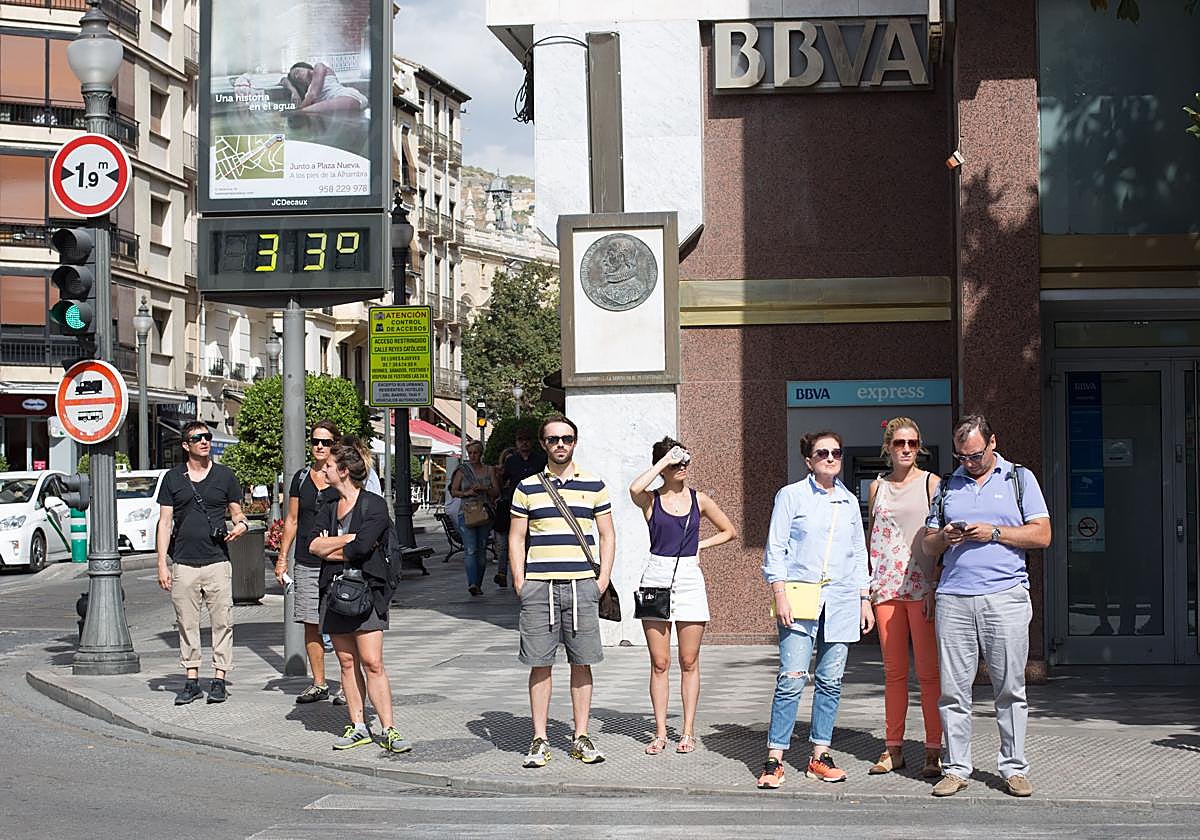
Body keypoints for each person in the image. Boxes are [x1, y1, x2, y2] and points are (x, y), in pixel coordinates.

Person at [922, 414, 1051, 799]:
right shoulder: (948, 484)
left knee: (1010, 688)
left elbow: (1042, 535)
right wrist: (944, 537)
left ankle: (1014, 767)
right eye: (962, 456)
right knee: (953, 690)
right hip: (954, 598)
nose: (969, 463)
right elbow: (927, 543)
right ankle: (956, 768)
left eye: (976, 455)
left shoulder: (1019, 479)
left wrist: (994, 533)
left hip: (1005, 596)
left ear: (993, 442)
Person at [758, 431, 873, 789]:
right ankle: (775, 758)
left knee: (831, 681)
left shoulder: (848, 501)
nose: (830, 457)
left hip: (841, 599)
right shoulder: (790, 495)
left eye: (836, 452)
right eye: (822, 453)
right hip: (799, 595)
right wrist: (779, 594)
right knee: (792, 678)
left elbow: (858, 553)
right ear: (809, 460)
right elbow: (775, 548)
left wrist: (864, 598)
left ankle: (819, 755)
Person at [508, 415, 615, 769]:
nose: (560, 444)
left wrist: (601, 580)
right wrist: (521, 581)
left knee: (582, 662)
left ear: (574, 442)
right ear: (543, 444)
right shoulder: (526, 488)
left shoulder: (594, 485)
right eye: (553, 439)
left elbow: (608, 534)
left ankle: (581, 735)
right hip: (540, 587)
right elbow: (516, 537)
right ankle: (539, 738)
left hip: (581, 585)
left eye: (566, 439)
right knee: (539, 664)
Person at [629, 437, 736, 755]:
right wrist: (665, 460)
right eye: (676, 462)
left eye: (685, 460)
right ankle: (660, 732)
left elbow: (729, 531)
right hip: (655, 577)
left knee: (689, 660)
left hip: (689, 578)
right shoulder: (651, 500)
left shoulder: (699, 499)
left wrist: (699, 546)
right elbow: (634, 489)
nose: (682, 466)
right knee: (659, 662)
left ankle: (687, 731)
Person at [308, 442, 410, 754]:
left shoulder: (373, 505)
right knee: (346, 661)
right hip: (334, 592)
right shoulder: (327, 504)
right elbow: (312, 546)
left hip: (367, 591)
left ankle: (389, 728)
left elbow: (362, 548)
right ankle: (358, 726)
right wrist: (346, 540)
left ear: (343, 471)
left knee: (372, 662)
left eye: (329, 466)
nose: (324, 469)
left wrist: (333, 545)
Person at [866, 418, 943, 777]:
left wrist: (935, 583)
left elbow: (942, 540)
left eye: (912, 443)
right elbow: (872, 538)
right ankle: (893, 747)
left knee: (928, 674)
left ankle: (933, 750)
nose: (907, 449)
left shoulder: (931, 483)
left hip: (922, 588)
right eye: (899, 443)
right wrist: (867, 590)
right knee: (894, 673)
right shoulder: (876, 487)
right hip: (886, 590)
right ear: (888, 447)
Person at [155, 421, 250, 706]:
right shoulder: (173, 478)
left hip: (217, 561)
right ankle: (192, 680)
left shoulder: (225, 476)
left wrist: (241, 525)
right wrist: (161, 563)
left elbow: (237, 512)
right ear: (186, 445)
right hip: (183, 562)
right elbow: (165, 522)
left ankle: (219, 679)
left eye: (207, 436)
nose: (204, 441)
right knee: (187, 623)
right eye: (197, 438)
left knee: (223, 622)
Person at [275, 420, 345, 705]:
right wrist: (282, 558)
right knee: (310, 623)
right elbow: (291, 520)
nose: (319, 446)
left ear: (335, 445)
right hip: (305, 561)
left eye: (325, 442)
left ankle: (348, 685)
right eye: (315, 441)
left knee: (342, 624)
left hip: (336, 561)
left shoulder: (342, 476)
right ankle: (319, 683)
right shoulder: (301, 478)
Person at [497, 429, 547, 587]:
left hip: (537, 505)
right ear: (516, 442)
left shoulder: (541, 460)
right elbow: (502, 481)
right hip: (516, 506)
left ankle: (530, 575)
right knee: (515, 541)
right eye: (520, 439)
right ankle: (516, 576)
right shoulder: (511, 461)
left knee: (531, 542)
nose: (524, 443)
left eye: (527, 439)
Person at [450, 441, 498, 596]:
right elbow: (454, 491)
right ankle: (472, 583)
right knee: (470, 549)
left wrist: (485, 488)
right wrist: (467, 493)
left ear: (481, 454)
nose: (472, 456)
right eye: (470, 453)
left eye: (475, 453)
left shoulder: (489, 470)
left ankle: (478, 583)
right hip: (466, 513)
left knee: (481, 549)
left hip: (484, 513)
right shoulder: (462, 471)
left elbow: (496, 492)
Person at [283, 61, 369, 116]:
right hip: (337, 107)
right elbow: (283, 80)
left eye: (297, 72)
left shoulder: (319, 66)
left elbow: (313, 94)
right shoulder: (309, 89)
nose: (297, 76)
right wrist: (294, 91)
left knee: (301, 112)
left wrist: (298, 110)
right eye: (295, 77)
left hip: (348, 97)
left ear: (305, 66)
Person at [491, 445, 516, 587]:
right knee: (502, 546)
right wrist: (499, 475)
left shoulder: (517, 473)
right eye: (507, 461)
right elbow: (496, 491)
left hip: (515, 510)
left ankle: (514, 575)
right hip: (502, 512)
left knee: (515, 545)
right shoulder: (499, 473)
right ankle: (501, 574)